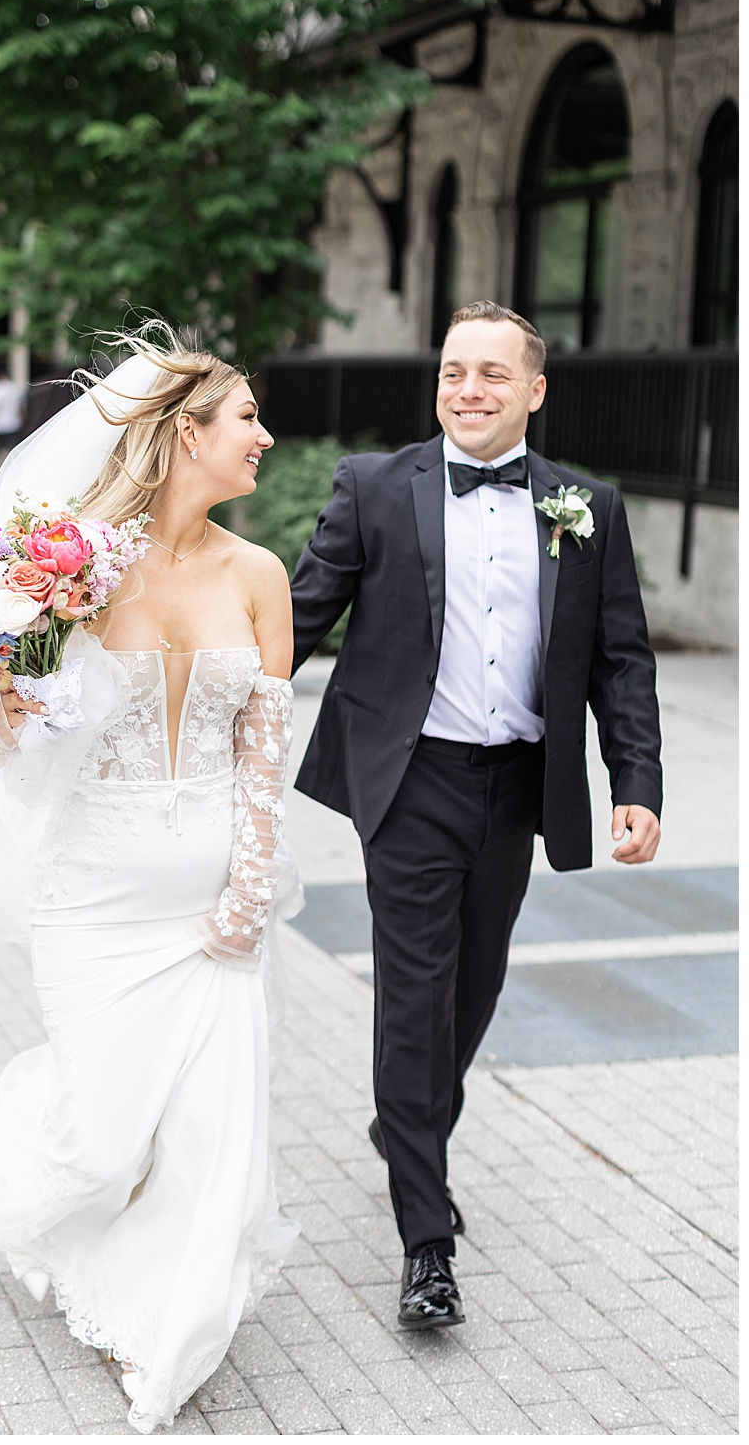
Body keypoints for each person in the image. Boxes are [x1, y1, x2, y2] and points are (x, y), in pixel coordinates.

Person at [0, 324, 299, 1433]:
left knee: (211, 1134)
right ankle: (18, 1182)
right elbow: (7, 749)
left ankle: (166, 1331)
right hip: (91, 895)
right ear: (187, 434)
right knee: (97, 1135)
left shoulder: (260, 574)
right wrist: (8, 703)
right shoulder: (73, 576)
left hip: (211, 894)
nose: (263, 438)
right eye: (244, 420)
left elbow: (264, 753)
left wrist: (249, 885)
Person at [288, 300, 663, 1329]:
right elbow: (296, 617)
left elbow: (619, 659)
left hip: (515, 789)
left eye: (492, 373)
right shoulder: (374, 486)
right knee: (412, 998)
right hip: (406, 781)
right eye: (453, 370)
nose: (467, 389)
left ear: (532, 391)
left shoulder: (583, 507)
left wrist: (636, 783)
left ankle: (406, 1121)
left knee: (473, 987)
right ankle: (425, 1242)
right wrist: (184, 704)